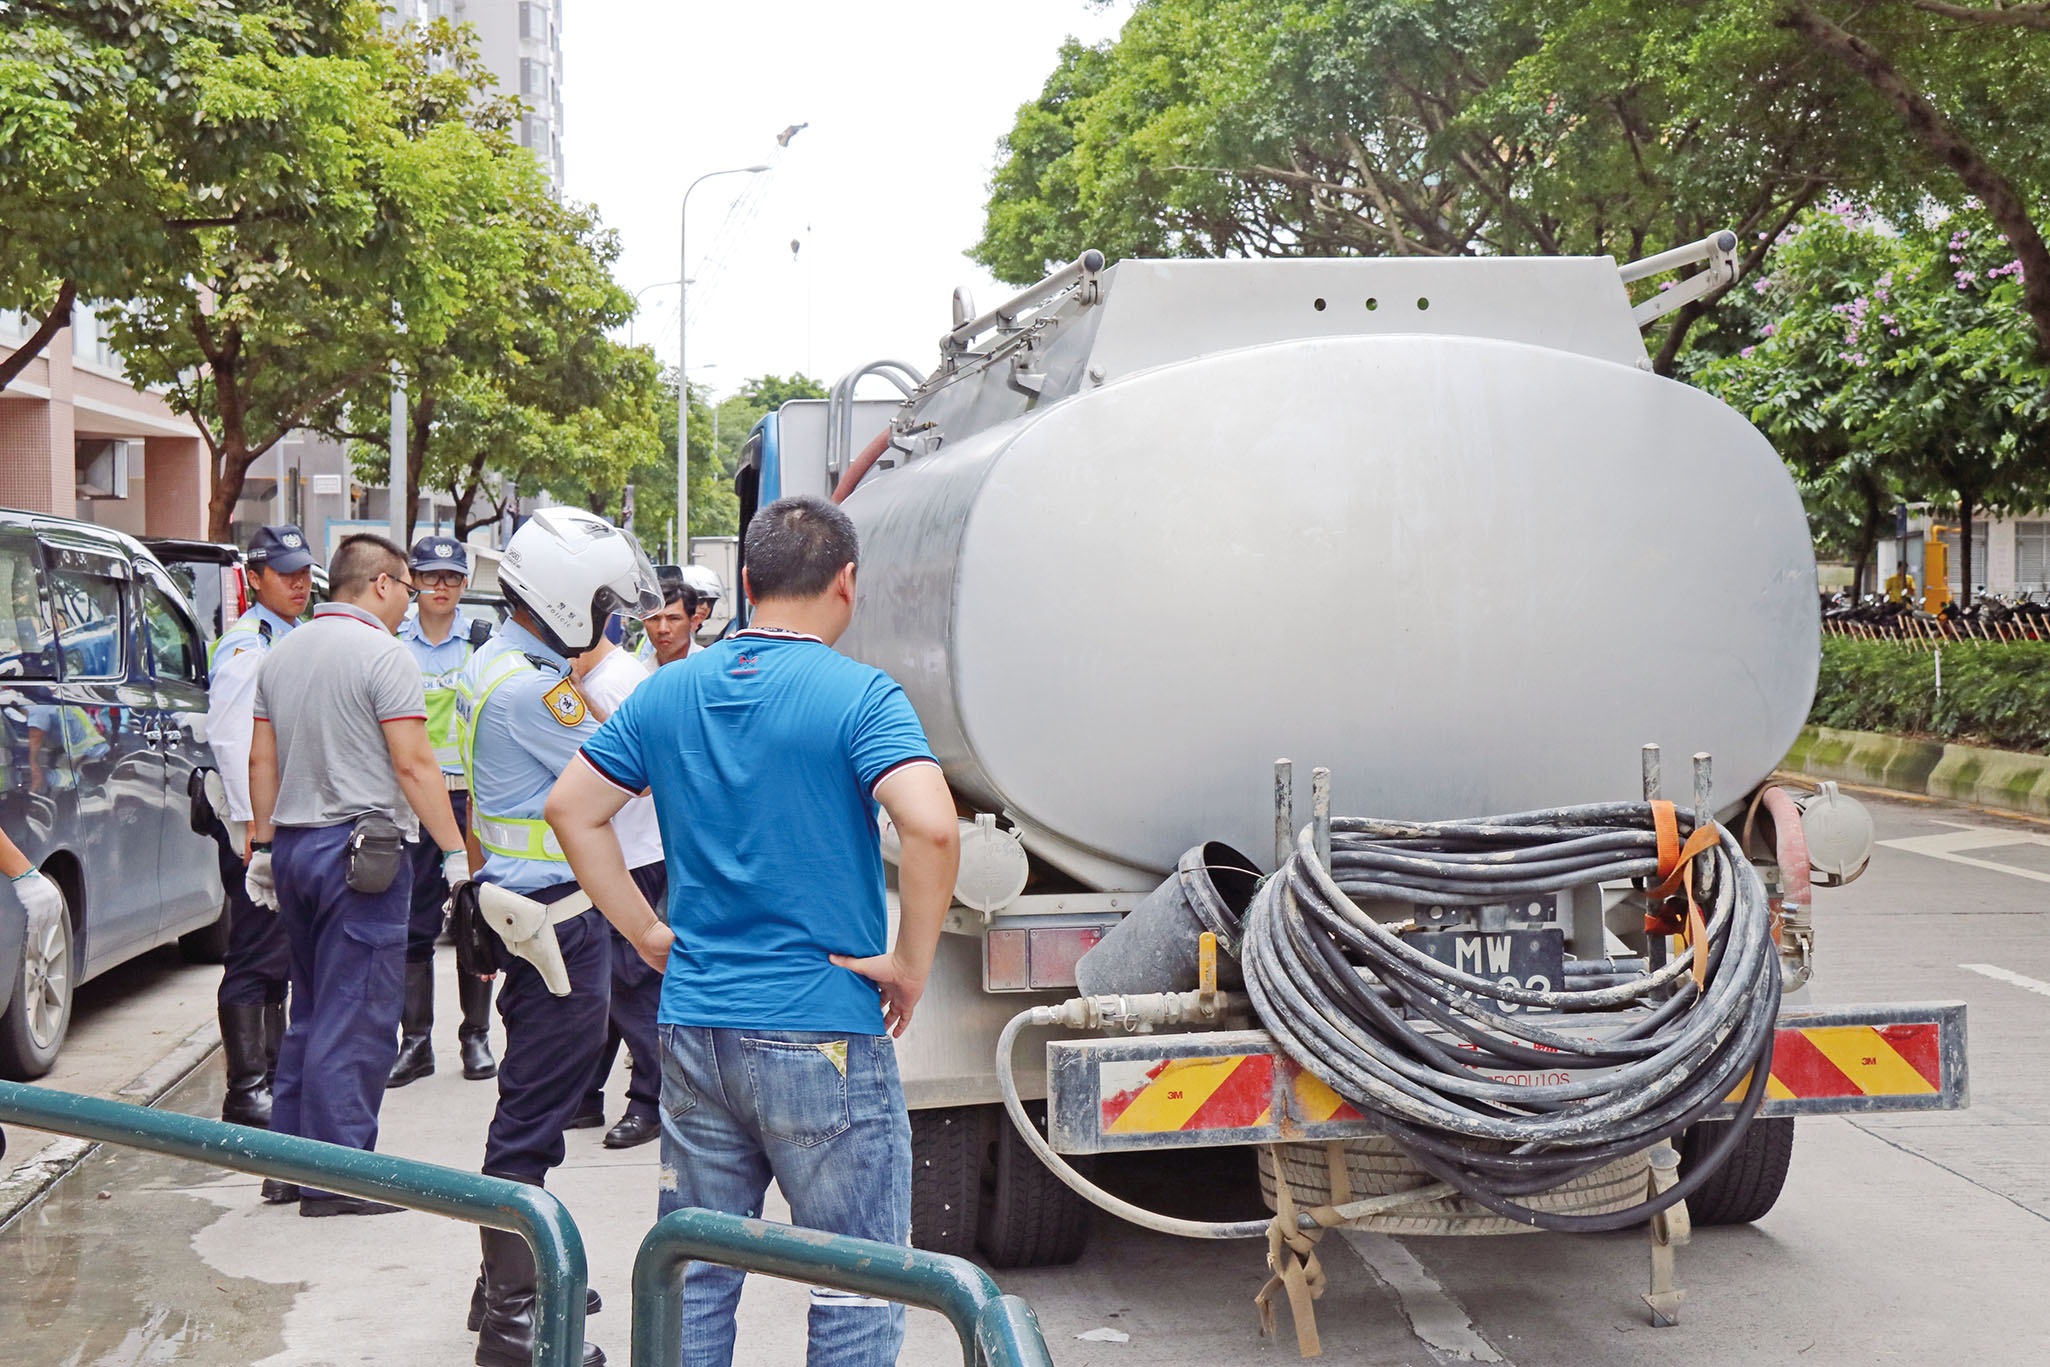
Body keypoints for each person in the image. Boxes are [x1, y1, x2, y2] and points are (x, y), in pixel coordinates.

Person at [548, 495, 961, 1367]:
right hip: (824, 1029)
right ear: (847, 582)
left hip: (696, 1025)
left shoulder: (669, 691)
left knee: (695, 1274)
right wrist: (910, 964)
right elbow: (930, 827)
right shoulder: (861, 695)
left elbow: (571, 810)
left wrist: (647, 933)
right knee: (855, 1281)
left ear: (744, 583)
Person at [454, 507, 659, 1367]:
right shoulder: (534, 688)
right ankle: (516, 1324)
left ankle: (509, 1279)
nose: (613, 616)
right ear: (570, 597)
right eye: (605, 600)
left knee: (530, 1102)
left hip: (526, 910)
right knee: (534, 1114)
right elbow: (633, 764)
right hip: (555, 926)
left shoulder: (495, 662)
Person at [244, 534, 469, 1218]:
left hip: (294, 851)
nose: (409, 598)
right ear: (378, 584)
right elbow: (415, 765)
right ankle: (340, 1176)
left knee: (310, 1007)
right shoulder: (384, 654)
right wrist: (455, 851)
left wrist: (260, 844)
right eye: (405, 584)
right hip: (360, 856)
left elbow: (262, 760)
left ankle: (287, 1164)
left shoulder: (280, 655)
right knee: (360, 1014)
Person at [205, 525, 312, 1132]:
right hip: (254, 825)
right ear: (255, 578)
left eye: (304, 573)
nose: (298, 583)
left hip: (275, 821)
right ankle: (246, 1089)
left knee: (277, 954)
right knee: (252, 954)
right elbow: (233, 738)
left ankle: (268, 1076)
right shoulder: (250, 643)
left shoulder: (292, 634)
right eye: (285, 573)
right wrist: (253, 828)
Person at [389, 535, 497, 1088]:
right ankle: (416, 1043)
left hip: (467, 798)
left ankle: (475, 1038)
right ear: (413, 580)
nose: (440, 587)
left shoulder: (481, 644)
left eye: (451, 578)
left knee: (475, 916)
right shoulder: (392, 641)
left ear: (463, 583)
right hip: (411, 801)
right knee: (413, 922)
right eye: (429, 576)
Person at [565, 626, 665, 1150]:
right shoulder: (592, 677)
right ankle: (585, 1095)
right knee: (602, 985)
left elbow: (646, 772)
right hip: (611, 853)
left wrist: (587, 711)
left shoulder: (617, 682)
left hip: (634, 856)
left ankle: (650, 1099)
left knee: (632, 985)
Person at [639, 564, 720, 667]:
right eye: (654, 619)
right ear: (644, 621)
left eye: (673, 619)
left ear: (694, 622)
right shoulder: (640, 675)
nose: (662, 629)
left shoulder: (710, 669)